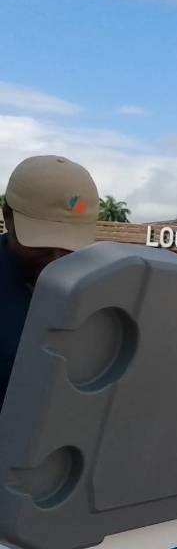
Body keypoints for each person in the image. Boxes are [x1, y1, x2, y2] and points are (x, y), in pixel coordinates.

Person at [2, 156, 99, 410]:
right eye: (40, 245)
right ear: (7, 216)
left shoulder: (105, 287)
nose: (54, 261)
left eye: (70, 247)